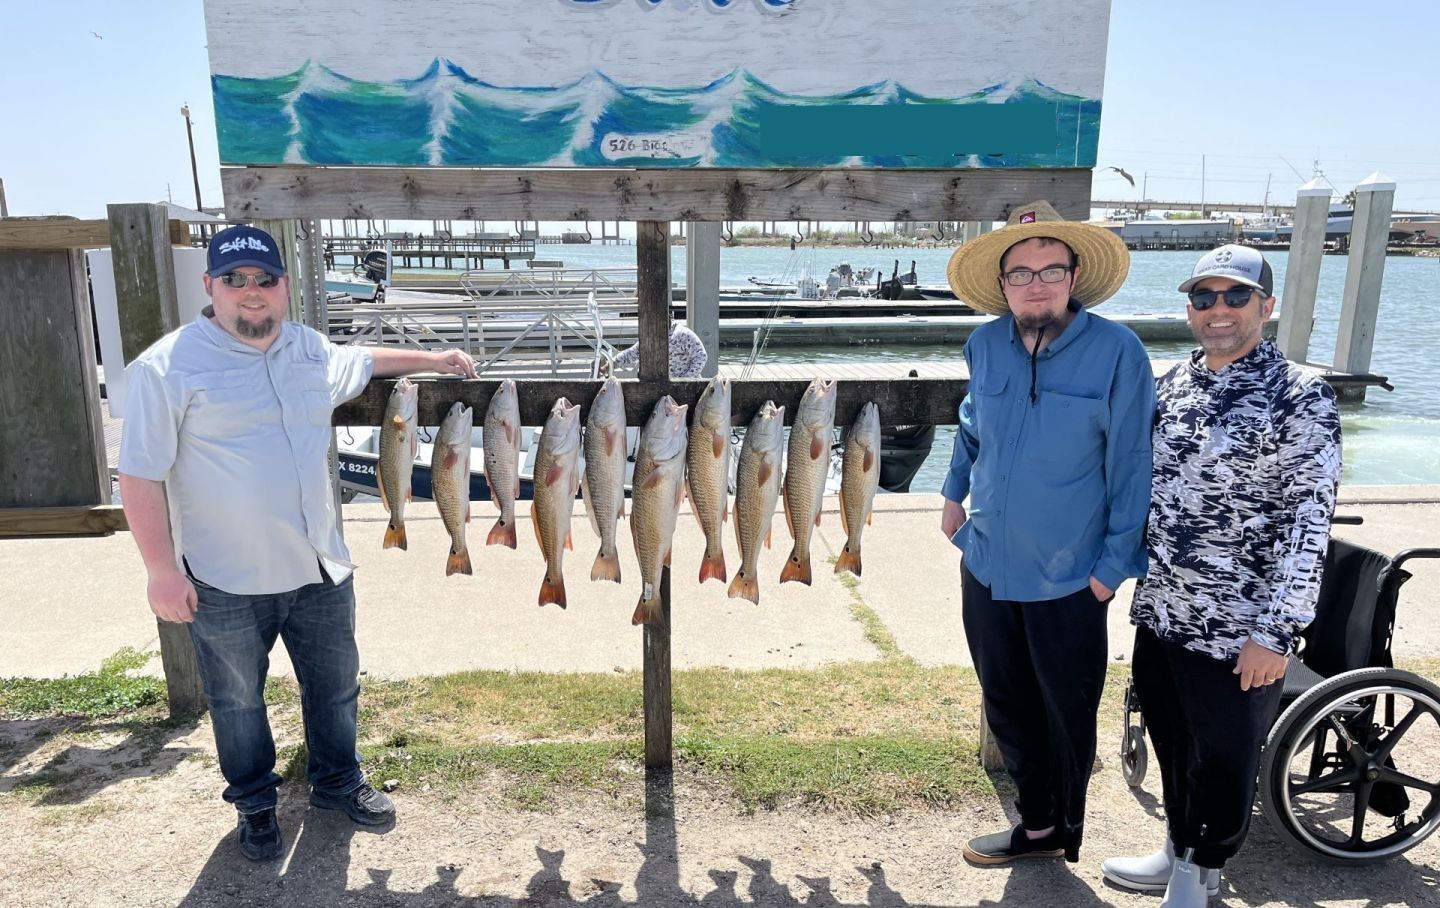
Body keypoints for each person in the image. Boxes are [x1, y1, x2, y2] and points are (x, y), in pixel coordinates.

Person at [117, 224, 478, 862]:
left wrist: (435, 360)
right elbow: (140, 474)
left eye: (265, 279)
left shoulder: (309, 349)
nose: (251, 293)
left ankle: (337, 781)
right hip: (225, 576)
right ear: (210, 287)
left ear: (285, 286)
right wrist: (158, 572)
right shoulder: (165, 367)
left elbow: (364, 359)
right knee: (236, 700)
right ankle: (255, 803)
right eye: (235, 281)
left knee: (336, 687)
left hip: (320, 567)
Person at [1103, 245, 1341, 906]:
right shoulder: (1172, 383)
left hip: (1242, 627)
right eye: (1204, 297)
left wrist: (1278, 629)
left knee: (1223, 755)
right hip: (1164, 609)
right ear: (1189, 308)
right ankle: (1176, 849)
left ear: (1267, 306)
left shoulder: (1301, 393)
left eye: (1235, 297)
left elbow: (1309, 519)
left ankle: (1200, 875)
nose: (1218, 311)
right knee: (1172, 737)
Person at [940, 201, 1155, 865]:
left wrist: (1111, 568)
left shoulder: (1119, 352)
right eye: (1020, 273)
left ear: (1074, 274)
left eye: (1050, 270)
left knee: (1066, 711)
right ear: (1002, 285)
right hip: (987, 561)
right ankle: (1035, 825)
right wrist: (952, 493)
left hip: (1070, 574)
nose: (1036, 284)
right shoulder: (984, 342)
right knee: (1003, 697)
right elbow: (972, 425)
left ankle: (1065, 830)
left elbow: (1132, 467)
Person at [606, 316, 709, 378]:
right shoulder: (651, 336)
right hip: (659, 384)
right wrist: (610, 365)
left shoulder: (683, 334)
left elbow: (701, 357)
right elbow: (632, 353)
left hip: (685, 385)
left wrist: (685, 379)